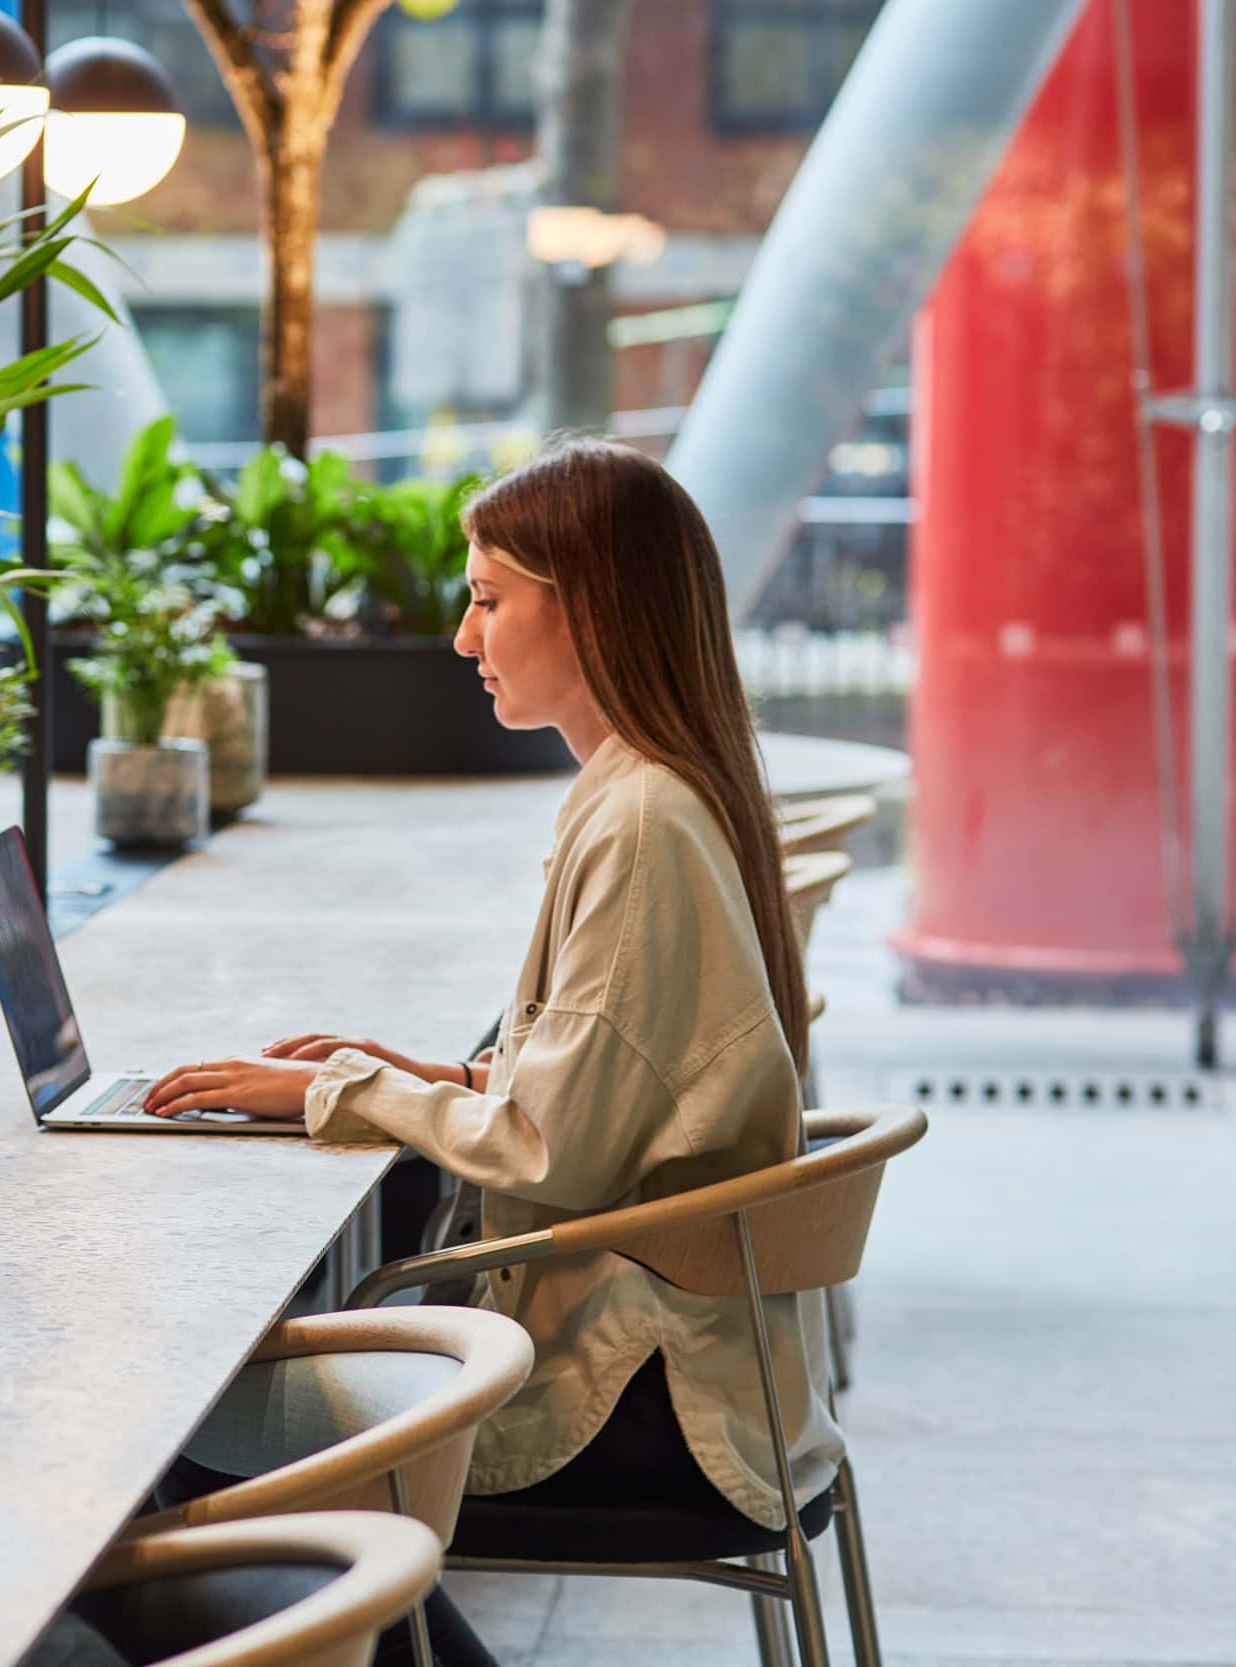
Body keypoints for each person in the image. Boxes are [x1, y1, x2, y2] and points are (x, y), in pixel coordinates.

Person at [140, 438, 840, 1665]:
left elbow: (550, 1148)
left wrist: (338, 1088)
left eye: (486, 599)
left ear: (593, 611)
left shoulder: (640, 824)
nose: (465, 640)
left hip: (633, 1390)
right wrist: (419, 1073)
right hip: (692, 1359)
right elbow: (613, 1095)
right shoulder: (659, 791)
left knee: (170, 1450)